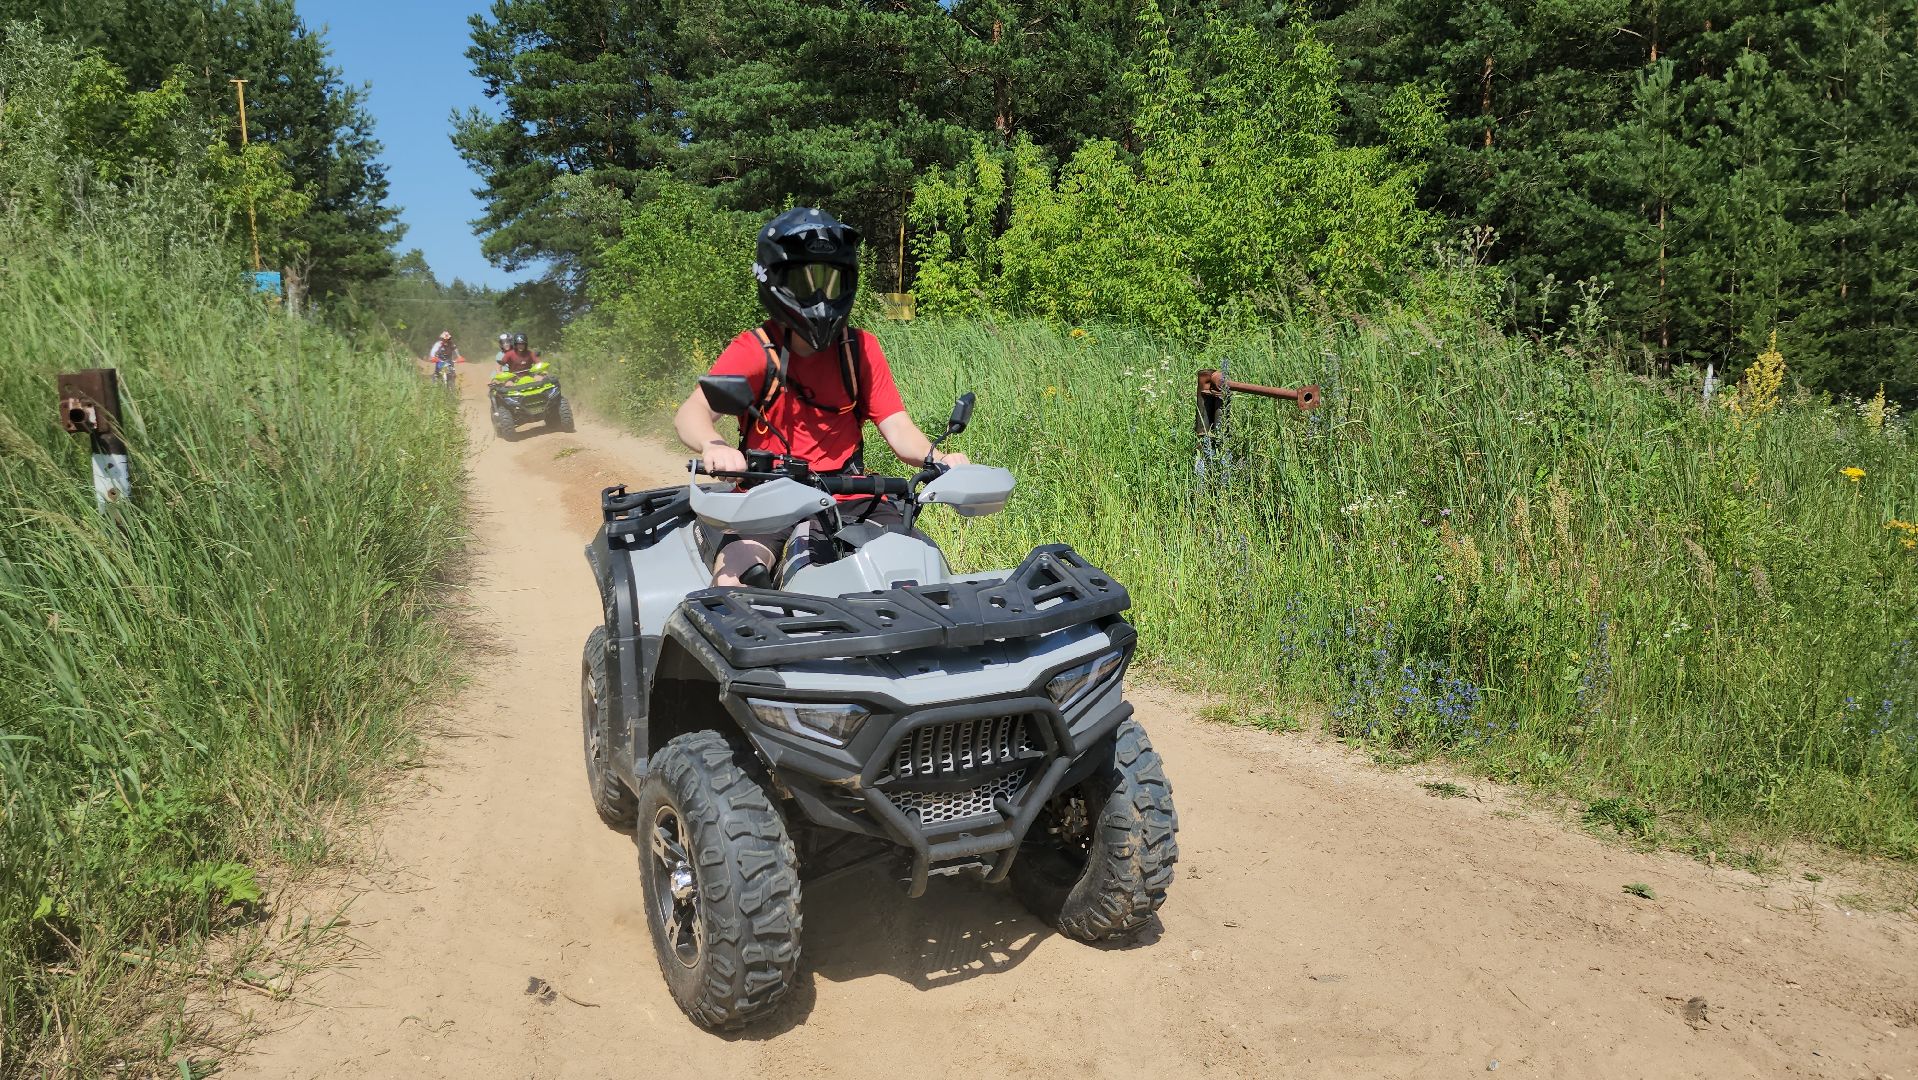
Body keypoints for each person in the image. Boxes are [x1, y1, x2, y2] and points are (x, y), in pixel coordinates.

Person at [673, 206, 967, 587]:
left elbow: (897, 426)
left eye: (830, 282)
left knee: (925, 573)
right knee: (735, 584)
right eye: (804, 282)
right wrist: (713, 444)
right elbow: (691, 412)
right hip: (767, 497)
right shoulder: (757, 349)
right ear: (775, 281)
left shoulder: (859, 349)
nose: (819, 297)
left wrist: (938, 458)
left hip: (851, 494)